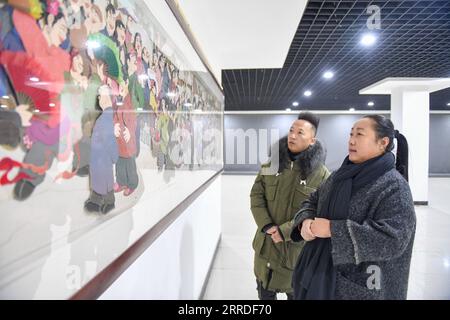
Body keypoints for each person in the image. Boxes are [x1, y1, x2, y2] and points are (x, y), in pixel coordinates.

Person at [290, 115, 416, 300]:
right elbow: (313, 200)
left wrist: (333, 229)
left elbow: (393, 240)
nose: (351, 140)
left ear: (383, 142)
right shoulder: (340, 175)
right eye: (351, 134)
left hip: (363, 287)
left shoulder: (393, 186)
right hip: (320, 276)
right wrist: (305, 222)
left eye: (359, 134)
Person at [250, 112, 330, 300]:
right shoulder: (272, 164)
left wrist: (285, 231)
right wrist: (268, 226)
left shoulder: (321, 175)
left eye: (300, 132)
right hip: (266, 249)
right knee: (264, 293)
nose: (292, 136)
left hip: (295, 255)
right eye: (291, 131)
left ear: (312, 140)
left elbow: (318, 212)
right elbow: (256, 195)